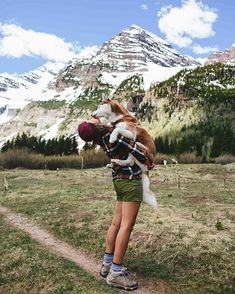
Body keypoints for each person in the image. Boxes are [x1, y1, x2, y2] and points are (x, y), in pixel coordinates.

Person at [78, 118, 153, 291]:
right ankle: (116, 273)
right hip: (130, 181)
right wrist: (148, 160)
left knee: (116, 223)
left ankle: (107, 265)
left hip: (118, 181)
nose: (93, 116)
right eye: (90, 119)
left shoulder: (102, 138)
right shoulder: (114, 136)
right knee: (126, 226)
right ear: (95, 126)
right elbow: (140, 153)